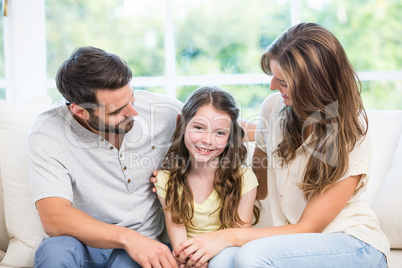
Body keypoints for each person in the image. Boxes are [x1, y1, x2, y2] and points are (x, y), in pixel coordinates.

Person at [172, 22, 390, 267]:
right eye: (274, 77)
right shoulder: (274, 107)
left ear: (314, 85)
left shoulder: (350, 129)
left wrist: (226, 236)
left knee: (250, 255)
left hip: (353, 244)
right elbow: (259, 187)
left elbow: (310, 228)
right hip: (296, 246)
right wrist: (191, 169)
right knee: (221, 260)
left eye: (283, 82)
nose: (273, 86)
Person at [28, 46, 183, 268]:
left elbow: (222, 128)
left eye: (132, 98)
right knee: (56, 250)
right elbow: (54, 218)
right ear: (80, 111)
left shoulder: (163, 111)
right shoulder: (48, 132)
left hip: (141, 249)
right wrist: (128, 238)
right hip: (83, 246)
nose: (134, 112)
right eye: (117, 110)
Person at [154, 86, 261, 268]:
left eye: (220, 133)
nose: (207, 140)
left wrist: (207, 260)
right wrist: (189, 262)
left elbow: (238, 237)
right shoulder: (166, 178)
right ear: (183, 124)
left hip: (227, 255)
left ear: (229, 136)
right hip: (186, 256)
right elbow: (178, 240)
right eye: (199, 127)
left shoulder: (243, 177)